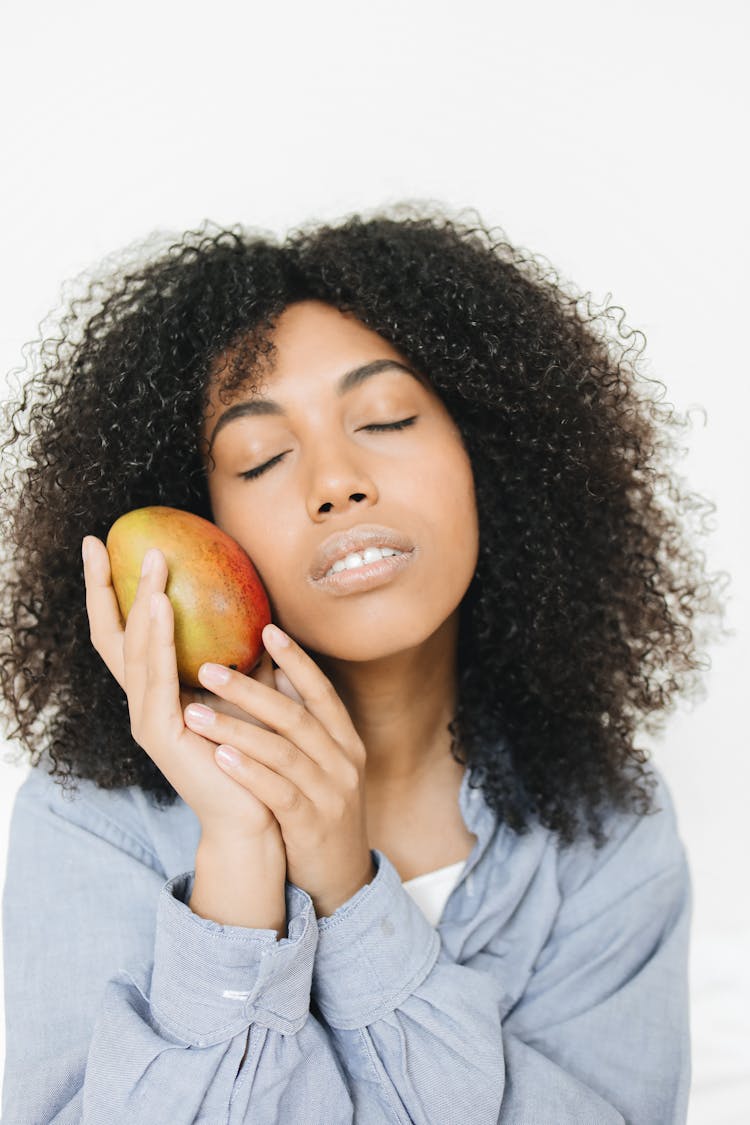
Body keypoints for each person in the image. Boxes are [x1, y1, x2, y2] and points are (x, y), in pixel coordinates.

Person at [0, 202, 727, 1123]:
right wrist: (237, 856)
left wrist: (349, 891)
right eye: (260, 457)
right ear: (199, 521)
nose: (336, 480)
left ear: (490, 456)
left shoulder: (603, 828)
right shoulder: (88, 822)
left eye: (385, 418)